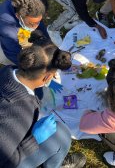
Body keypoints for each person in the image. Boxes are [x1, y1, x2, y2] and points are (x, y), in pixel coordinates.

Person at [0, 40, 86, 168]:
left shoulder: (7, 71)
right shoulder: (18, 113)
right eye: (54, 75)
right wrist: (33, 140)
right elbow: (5, 163)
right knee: (61, 136)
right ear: (47, 78)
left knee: (60, 132)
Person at [0, 0, 49, 66]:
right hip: (4, 38)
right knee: (6, 58)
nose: (35, 26)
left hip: (17, 26)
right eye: (32, 23)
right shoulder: (7, 30)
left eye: (38, 22)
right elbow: (13, 54)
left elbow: (40, 25)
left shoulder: (32, 6)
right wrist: (36, 69)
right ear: (18, 16)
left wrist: (48, 44)